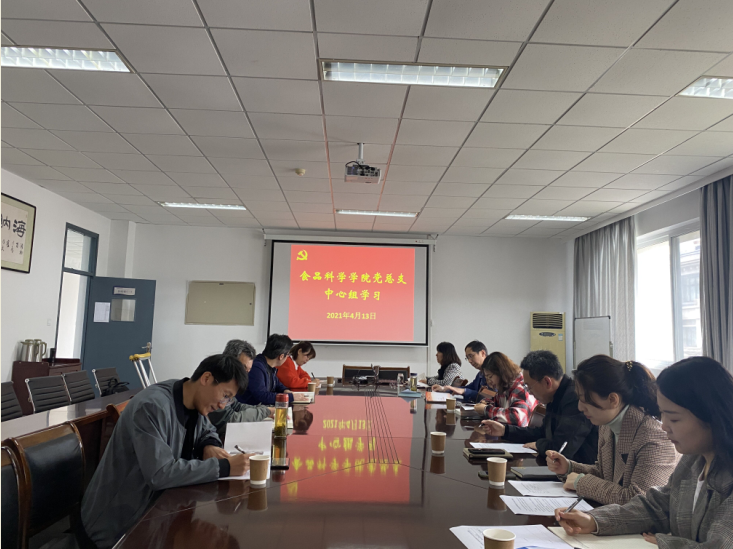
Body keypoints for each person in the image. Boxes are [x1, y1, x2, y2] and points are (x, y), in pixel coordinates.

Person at [555, 356, 733, 548]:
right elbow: (657, 507)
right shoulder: (693, 460)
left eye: (674, 419)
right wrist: (594, 520)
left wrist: (668, 543)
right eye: (662, 414)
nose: (664, 426)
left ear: (711, 415)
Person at [81, 355, 253, 549]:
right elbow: (160, 473)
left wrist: (209, 445)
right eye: (225, 395)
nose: (222, 405)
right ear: (206, 378)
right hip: (117, 528)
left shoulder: (191, 399)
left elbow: (208, 430)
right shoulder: (152, 406)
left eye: (228, 400)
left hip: (157, 516)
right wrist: (224, 467)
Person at [546, 355, 678, 506]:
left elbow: (640, 502)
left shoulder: (654, 436)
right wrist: (569, 467)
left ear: (613, 399)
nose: (580, 407)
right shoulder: (607, 424)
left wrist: (581, 483)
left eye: (585, 400)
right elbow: (605, 474)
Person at [481, 350, 598, 463]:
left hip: (581, 471)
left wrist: (538, 444)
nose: (529, 392)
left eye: (529, 386)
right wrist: (505, 430)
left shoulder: (575, 399)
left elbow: (561, 450)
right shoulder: (555, 396)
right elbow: (542, 433)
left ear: (547, 382)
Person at [208, 340, 273, 438]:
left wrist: (265, 410)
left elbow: (236, 405)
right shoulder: (215, 381)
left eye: (248, 371)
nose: (245, 376)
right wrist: (264, 411)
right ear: (229, 361)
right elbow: (229, 421)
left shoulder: (229, 384)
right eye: (243, 368)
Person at [239, 333, 309, 406]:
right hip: (249, 409)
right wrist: (290, 397)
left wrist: (286, 391)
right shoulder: (256, 367)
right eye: (288, 355)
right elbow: (262, 396)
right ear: (281, 356)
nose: (288, 357)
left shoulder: (269, 366)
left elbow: (277, 384)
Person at [475, 352, 537, 426]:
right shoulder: (504, 387)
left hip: (522, 432)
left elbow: (516, 417)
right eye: (486, 377)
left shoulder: (520, 387)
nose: (488, 382)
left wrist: (486, 409)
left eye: (490, 377)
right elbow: (495, 401)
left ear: (501, 373)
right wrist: (486, 403)